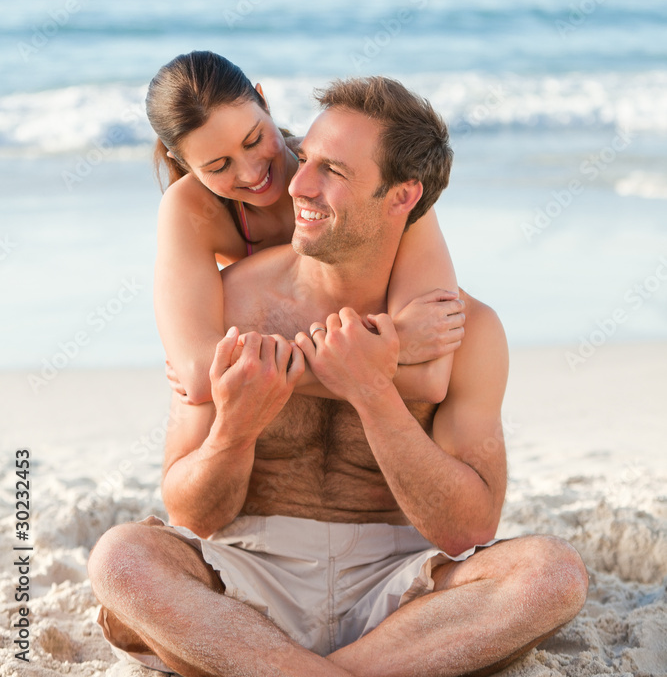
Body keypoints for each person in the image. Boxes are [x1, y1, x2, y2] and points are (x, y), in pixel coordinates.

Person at [88, 76, 588, 677]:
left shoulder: (463, 330)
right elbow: (193, 515)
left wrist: (373, 393)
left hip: (402, 591)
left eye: (331, 170)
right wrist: (235, 431)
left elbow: (468, 528)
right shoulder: (225, 312)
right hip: (245, 579)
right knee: (121, 558)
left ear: (403, 197)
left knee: (553, 574)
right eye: (305, 160)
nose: (291, 182)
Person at [146, 51, 465, 406]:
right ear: (183, 163)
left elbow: (429, 380)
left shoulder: (367, 183)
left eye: (253, 140)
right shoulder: (189, 209)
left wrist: (245, 372)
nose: (252, 173)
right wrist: (395, 341)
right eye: (219, 166)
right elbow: (199, 374)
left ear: (264, 102)